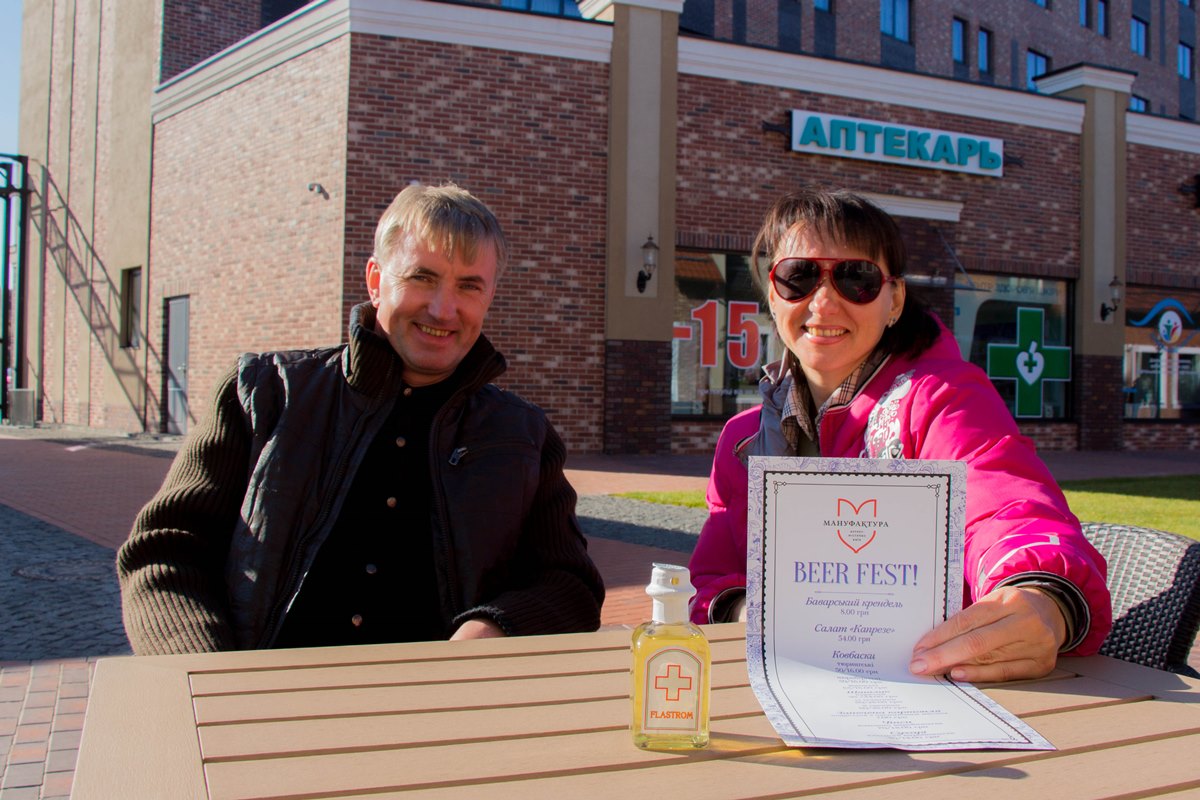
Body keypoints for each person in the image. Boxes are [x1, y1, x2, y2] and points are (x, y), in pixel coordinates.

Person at [118, 183, 604, 655]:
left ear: (490, 296)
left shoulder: (522, 435)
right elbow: (165, 550)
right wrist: (211, 676)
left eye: (468, 286)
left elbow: (570, 584)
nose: (443, 309)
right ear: (375, 281)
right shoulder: (263, 395)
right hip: (266, 700)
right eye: (422, 277)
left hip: (443, 702)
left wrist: (495, 629)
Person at [688, 187, 1111, 683]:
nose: (823, 302)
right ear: (772, 295)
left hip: (936, 680)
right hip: (789, 682)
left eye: (857, 278)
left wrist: (1041, 596)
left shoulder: (944, 400)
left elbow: (1005, 506)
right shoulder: (742, 440)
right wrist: (749, 614)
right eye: (798, 277)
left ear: (895, 300)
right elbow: (714, 577)